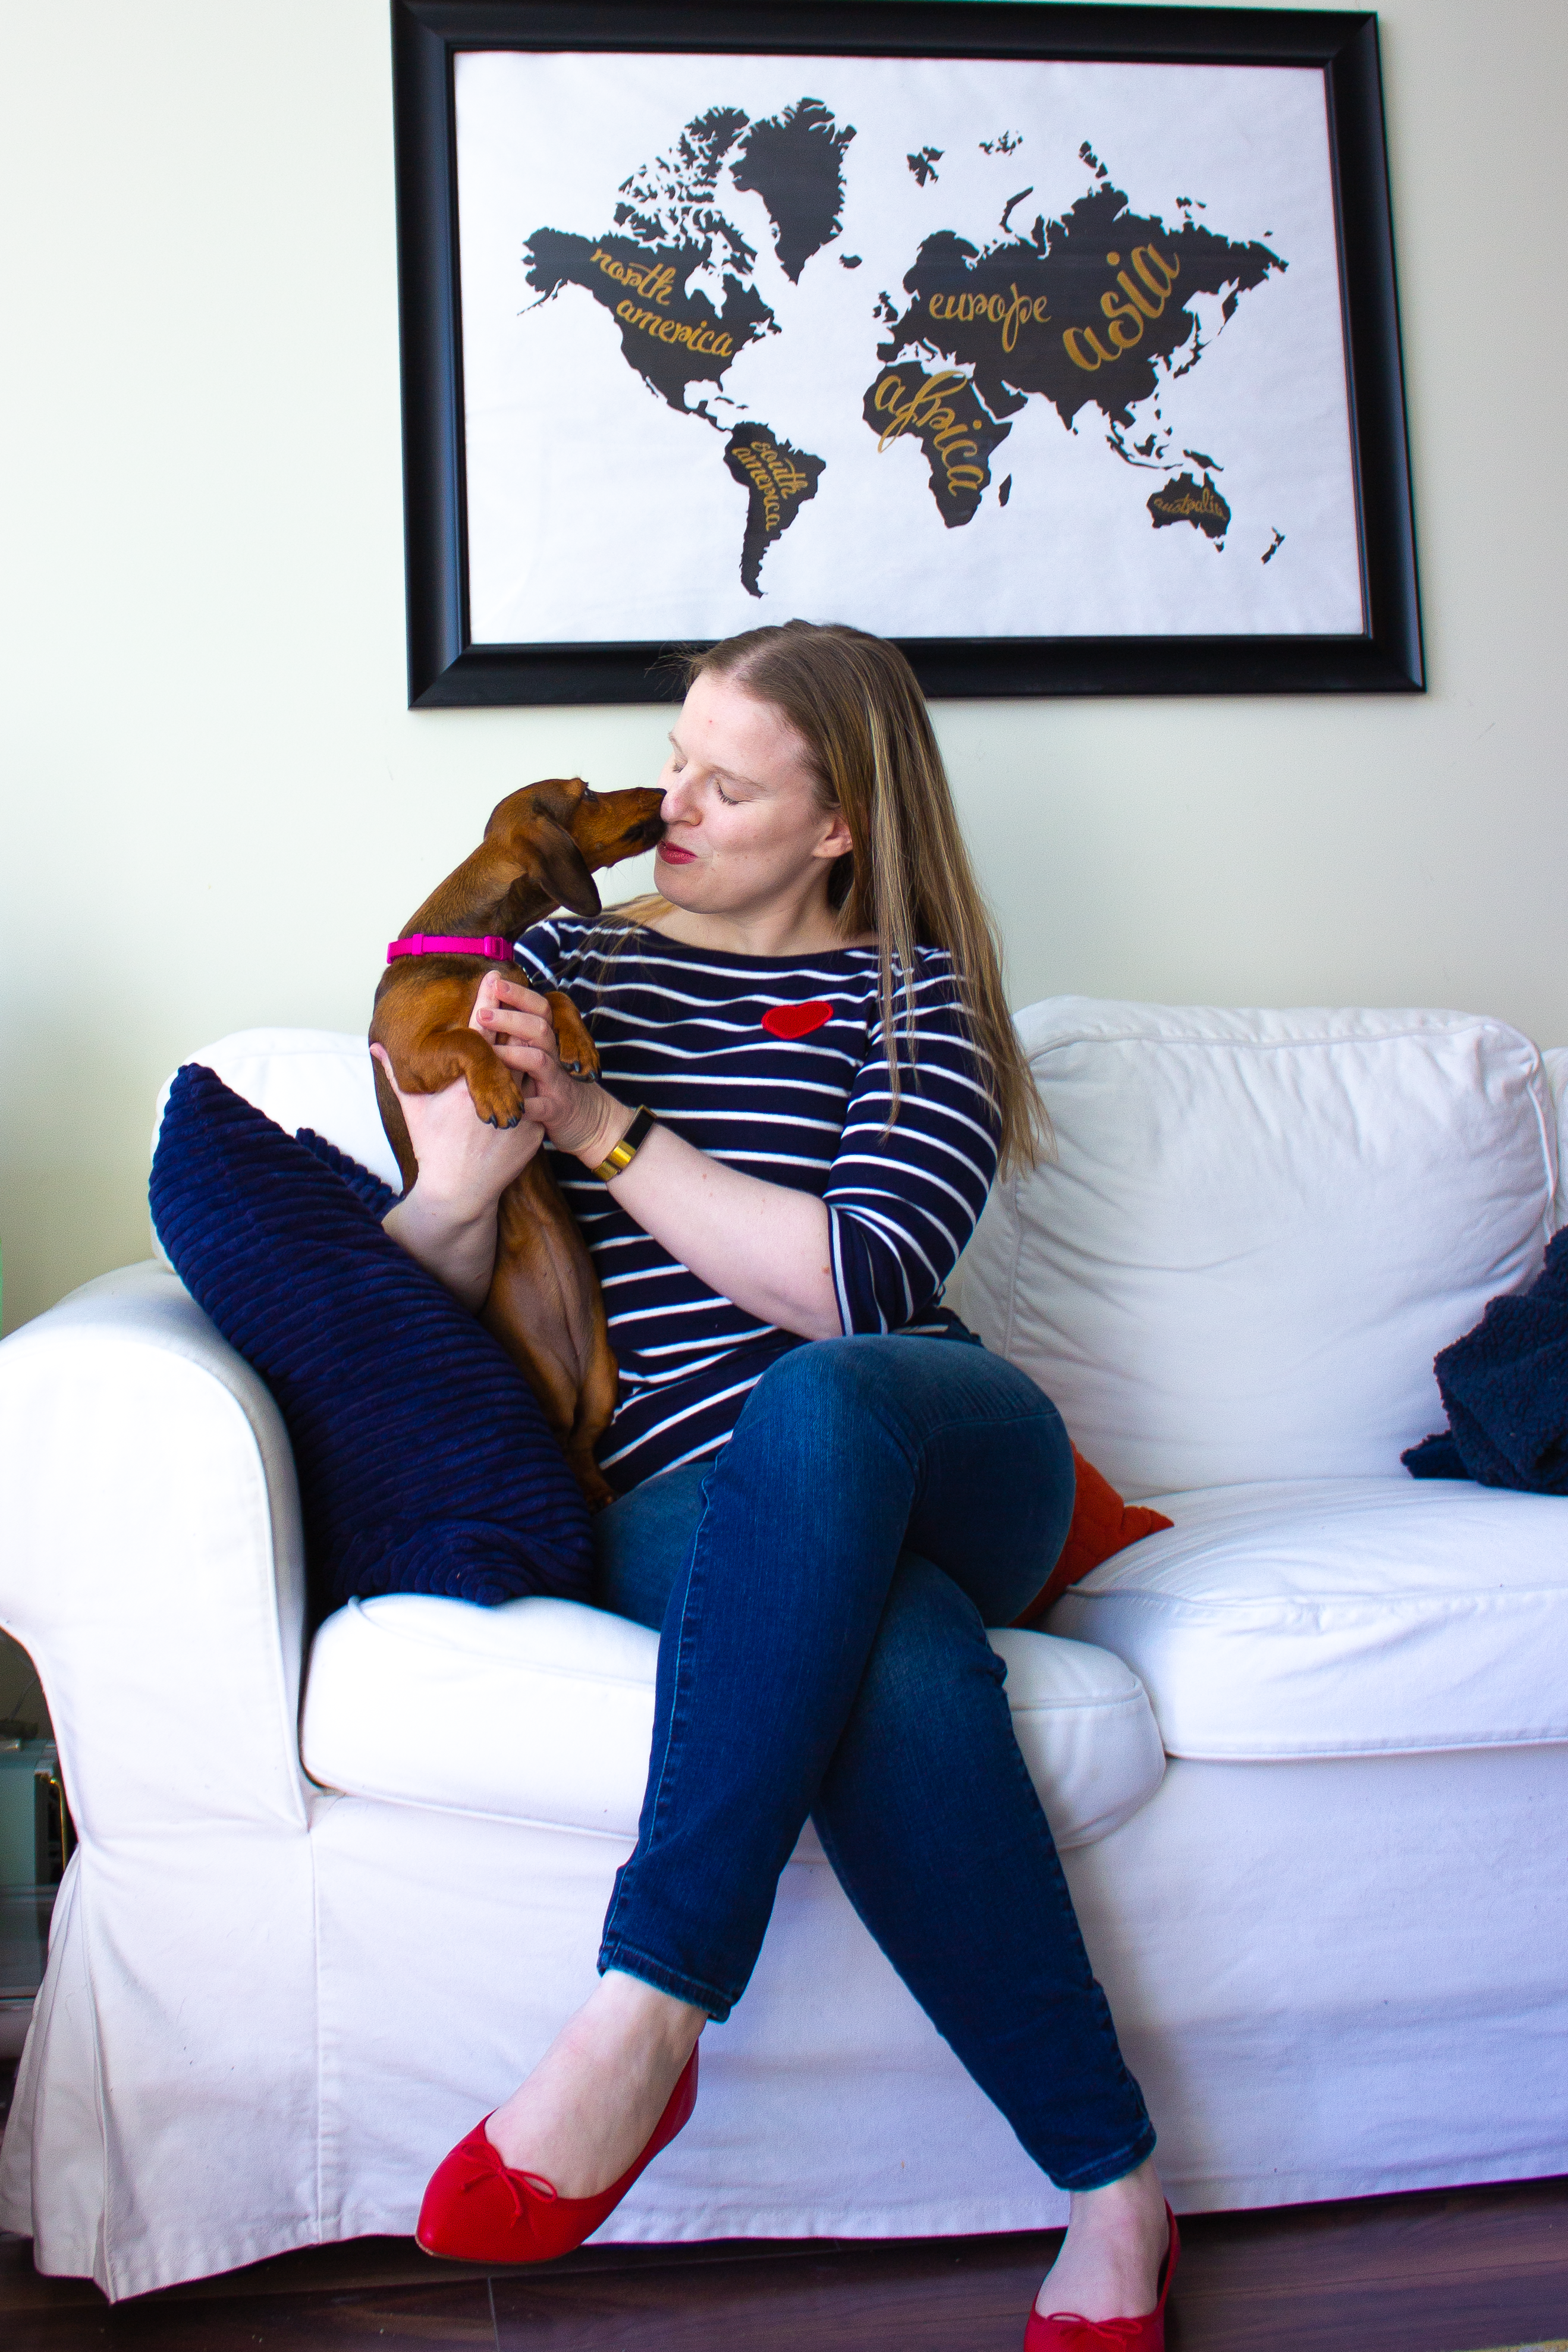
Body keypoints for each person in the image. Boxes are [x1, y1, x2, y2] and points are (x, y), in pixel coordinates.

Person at [374, 621, 1177, 2348]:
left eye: (726, 786)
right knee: (886, 1661)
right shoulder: (563, 958)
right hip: (688, 1500)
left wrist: (601, 1129)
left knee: (819, 1397)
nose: (669, 803)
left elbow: (860, 1283)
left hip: (937, 1438)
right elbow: (450, 1309)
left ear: (836, 826)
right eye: (674, 758)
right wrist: (458, 1180)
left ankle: (648, 2004)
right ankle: (1111, 2189)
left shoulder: (918, 993)